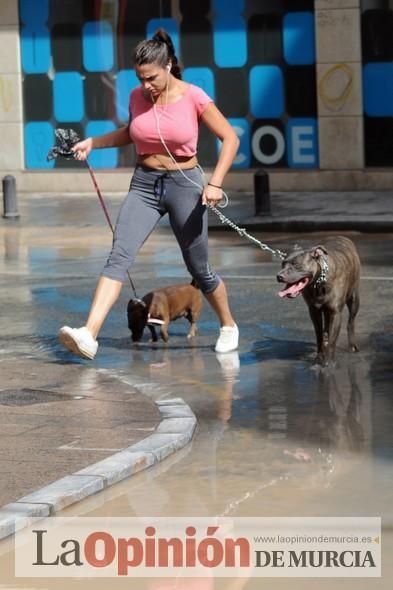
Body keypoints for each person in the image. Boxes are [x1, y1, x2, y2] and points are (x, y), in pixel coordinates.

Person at [59, 29, 240, 360]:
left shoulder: (194, 96)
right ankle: (89, 334)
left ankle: (228, 325)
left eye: (152, 78)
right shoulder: (136, 97)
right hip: (144, 184)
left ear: (169, 65)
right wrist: (93, 143)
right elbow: (132, 132)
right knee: (118, 256)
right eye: (140, 78)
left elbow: (230, 138)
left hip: (186, 184)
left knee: (198, 268)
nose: (146, 86)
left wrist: (215, 183)